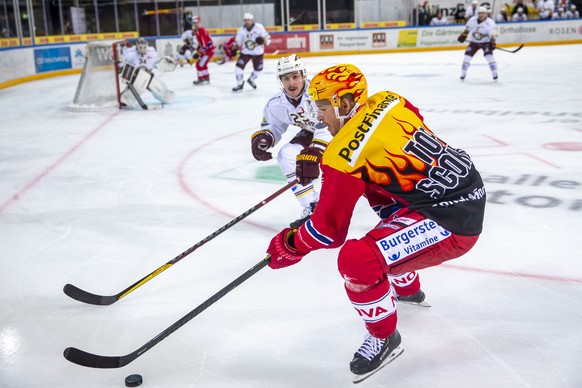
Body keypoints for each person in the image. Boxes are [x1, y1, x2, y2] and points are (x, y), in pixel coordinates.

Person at [265, 64, 485, 382]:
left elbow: (328, 231)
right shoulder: (389, 99)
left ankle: (385, 337)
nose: (320, 118)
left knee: (358, 259)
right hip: (463, 187)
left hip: (451, 220)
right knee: (381, 185)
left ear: (342, 103)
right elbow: (405, 128)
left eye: (324, 107)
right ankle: (407, 287)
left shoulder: (344, 157)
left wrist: (289, 244)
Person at [251, 55, 332, 227]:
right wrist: (264, 138)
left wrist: (316, 151)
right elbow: (274, 126)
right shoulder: (275, 103)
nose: (291, 82)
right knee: (286, 154)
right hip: (311, 131)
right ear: (280, 81)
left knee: (335, 168)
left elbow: (328, 126)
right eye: (286, 78)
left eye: (295, 76)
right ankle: (312, 206)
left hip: (337, 130)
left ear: (303, 76)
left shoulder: (318, 93)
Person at [118, 37, 174, 108]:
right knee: (138, 87)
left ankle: (165, 94)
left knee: (159, 87)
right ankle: (126, 100)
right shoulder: (130, 52)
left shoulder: (152, 51)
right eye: (140, 46)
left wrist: (160, 63)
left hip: (148, 75)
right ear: (136, 45)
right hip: (134, 77)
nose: (142, 48)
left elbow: (155, 63)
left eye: (144, 46)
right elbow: (121, 63)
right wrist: (121, 65)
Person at [232, 12, 271, 92]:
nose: (247, 22)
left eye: (248, 20)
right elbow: (237, 41)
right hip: (245, 52)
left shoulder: (259, 27)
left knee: (258, 69)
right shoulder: (241, 30)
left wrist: (263, 41)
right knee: (238, 68)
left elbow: (268, 40)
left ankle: (251, 80)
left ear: (252, 20)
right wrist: (234, 49)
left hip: (258, 53)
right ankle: (240, 84)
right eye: (245, 20)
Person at [457, 6, 498, 81]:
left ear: (486, 14)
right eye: (479, 13)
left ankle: (494, 73)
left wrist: (493, 41)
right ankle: (463, 73)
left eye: (483, 13)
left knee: (489, 56)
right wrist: (464, 35)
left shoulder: (490, 22)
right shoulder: (472, 20)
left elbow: (493, 33)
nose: (481, 14)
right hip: (474, 42)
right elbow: (467, 29)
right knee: (467, 56)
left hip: (486, 43)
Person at [188, 15, 215, 85]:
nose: (195, 24)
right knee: (202, 64)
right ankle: (206, 77)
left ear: (199, 22)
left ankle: (201, 78)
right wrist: (198, 51)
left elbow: (205, 45)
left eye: (196, 22)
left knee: (200, 64)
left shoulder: (201, 30)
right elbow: (201, 44)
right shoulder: (197, 31)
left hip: (209, 50)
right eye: (193, 23)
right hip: (206, 50)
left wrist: (198, 53)